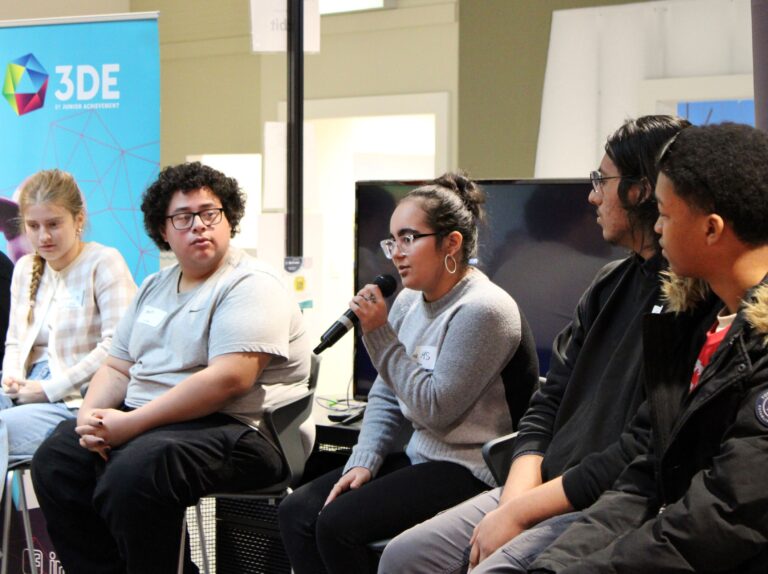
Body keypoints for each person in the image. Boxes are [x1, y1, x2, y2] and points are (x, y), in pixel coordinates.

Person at [379, 116, 698, 574]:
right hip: (535, 482)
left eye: (600, 181)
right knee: (404, 556)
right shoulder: (609, 282)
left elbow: (640, 449)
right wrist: (511, 503)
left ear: (642, 190)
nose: (592, 195)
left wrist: (518, 512)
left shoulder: (687, 298)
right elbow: (547, 400)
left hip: (603, 500)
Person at [30, 162, 311, 573]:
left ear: (228, 220)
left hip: (241, 429)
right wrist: (90, 419)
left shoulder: (252, 284)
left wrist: (131, 424)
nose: (199, 225)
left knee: (135, 472)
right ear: (163, 230)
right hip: (158, 425)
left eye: (209, 213)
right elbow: (117, 366)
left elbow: (230, 379)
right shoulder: (154, 287)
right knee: (58, 459)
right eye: (183, 217)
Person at [529, 122, 768, 574]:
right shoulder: (695, 325)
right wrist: (559, 563)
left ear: (712, 230)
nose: (656, 228)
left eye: (665, 214)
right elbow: (648, 470)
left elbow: (723, 514)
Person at [278, 172, 540, 574]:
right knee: (297, 512)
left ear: (451, 243)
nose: (395, 253)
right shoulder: (407, 303)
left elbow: (435, 410)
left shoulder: (484, 310)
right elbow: (385, 393)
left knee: (336, 526)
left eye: (408, 238)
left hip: (473, 467)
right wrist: (365, 459)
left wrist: (379, 336)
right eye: (391, 240)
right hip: (422, 455)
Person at [0, 169, 136, 493]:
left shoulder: (104, 262)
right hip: (25, 391)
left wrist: (47, 390)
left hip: (77, 401)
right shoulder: (24, 268)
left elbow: (116, 347)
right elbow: (15, 341)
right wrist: (11, 379)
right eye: (33, 226)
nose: (43, 236)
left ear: (78, 220)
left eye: (53, 224)